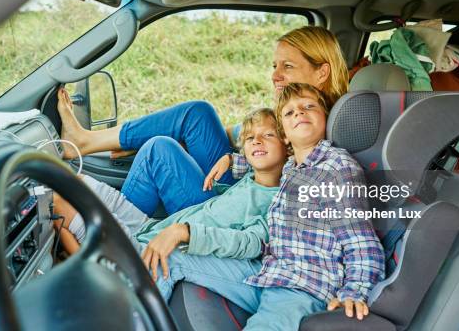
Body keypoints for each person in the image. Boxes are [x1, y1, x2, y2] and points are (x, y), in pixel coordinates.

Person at [154, 83, 385, 330]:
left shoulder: (338, 168)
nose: (299, 113)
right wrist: (232, 160)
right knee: (169, 257)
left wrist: (355, 291)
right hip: (268, 273)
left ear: (327, 120)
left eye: (309, 107)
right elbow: (264, 156)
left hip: (303, 287)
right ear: (285, 135)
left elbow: (360, 240)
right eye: (289, 113)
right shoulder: (291, 166)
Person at [56, 26, 349, 216]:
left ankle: (116, 239)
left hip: (240, 206)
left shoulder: (316, 124)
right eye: (274, 66)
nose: (275, 76)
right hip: (240, 180)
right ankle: (88, 143)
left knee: (158, 151)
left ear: (321, 72)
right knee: (198, 113)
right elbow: (236, 133)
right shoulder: (295, 109)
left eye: (288, 66)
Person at [53, 108, 287, 278]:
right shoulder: (248, 177)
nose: (257, 141)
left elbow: (250, 243)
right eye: (249, 139)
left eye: (268, 135)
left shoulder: (280, 201)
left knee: (56, 203)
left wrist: (185, 233)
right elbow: (251, 150)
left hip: (145, 251)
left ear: (288, 146)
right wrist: (229, 158)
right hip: (150, 227)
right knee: (69, 181)